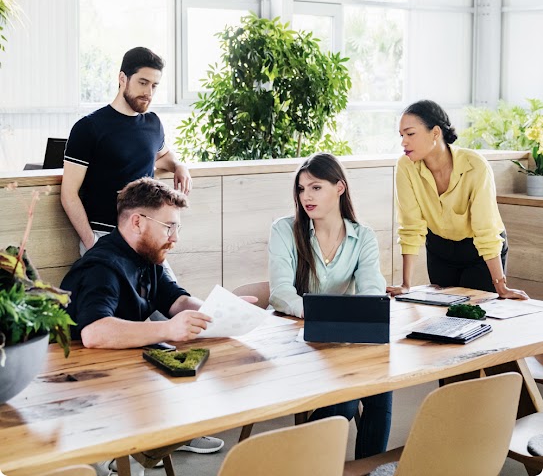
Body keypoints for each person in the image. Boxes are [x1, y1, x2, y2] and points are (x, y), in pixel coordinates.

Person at [61, 177, 244, 475]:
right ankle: (124, 454)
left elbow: (178, 301)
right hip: (81, 382)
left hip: (120, 366)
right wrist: (168, 330)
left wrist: (225, 310)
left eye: (177, 228)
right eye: (168, 227)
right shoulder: (102, 266)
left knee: (196, 369)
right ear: (137, 222)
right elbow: (94, 332)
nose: (175, 238)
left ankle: (156, 443)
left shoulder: (147, 258)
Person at [268, 152, 392, 460]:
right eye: (301, 189)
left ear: (339, 188)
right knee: (347, 402)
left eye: (315, 187)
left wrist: (360, 315)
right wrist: (315, 312)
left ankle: (370, 468)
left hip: (343, 337)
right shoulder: (284, 230)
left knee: (382, 386)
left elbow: (371, 289)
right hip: (296, 339)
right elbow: (280, 292)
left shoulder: (362, 236)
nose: (306, 196)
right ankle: (298, 462)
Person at [387, 99, 529, 300]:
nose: (403, 142)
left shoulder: (475, 165)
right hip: (439, 250)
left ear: (435, 133)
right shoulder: (406, 166)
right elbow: (410, 226)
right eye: (401, 135)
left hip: (479, 253)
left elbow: (485, 230)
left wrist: (501, 287)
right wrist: (406, 285)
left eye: (410, 134)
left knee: (477, 313)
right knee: (442, 314)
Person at [61, 46, 192, 255]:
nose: (149, 93)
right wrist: (91, 242)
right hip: (105, 237)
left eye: (154, 86)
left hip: (148, 235)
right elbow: (68, 194)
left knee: (170, 287)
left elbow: (162, 155)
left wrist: (179, 166)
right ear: (123, 78)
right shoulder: (88, 127)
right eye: (143, 83)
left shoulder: (153, 123)